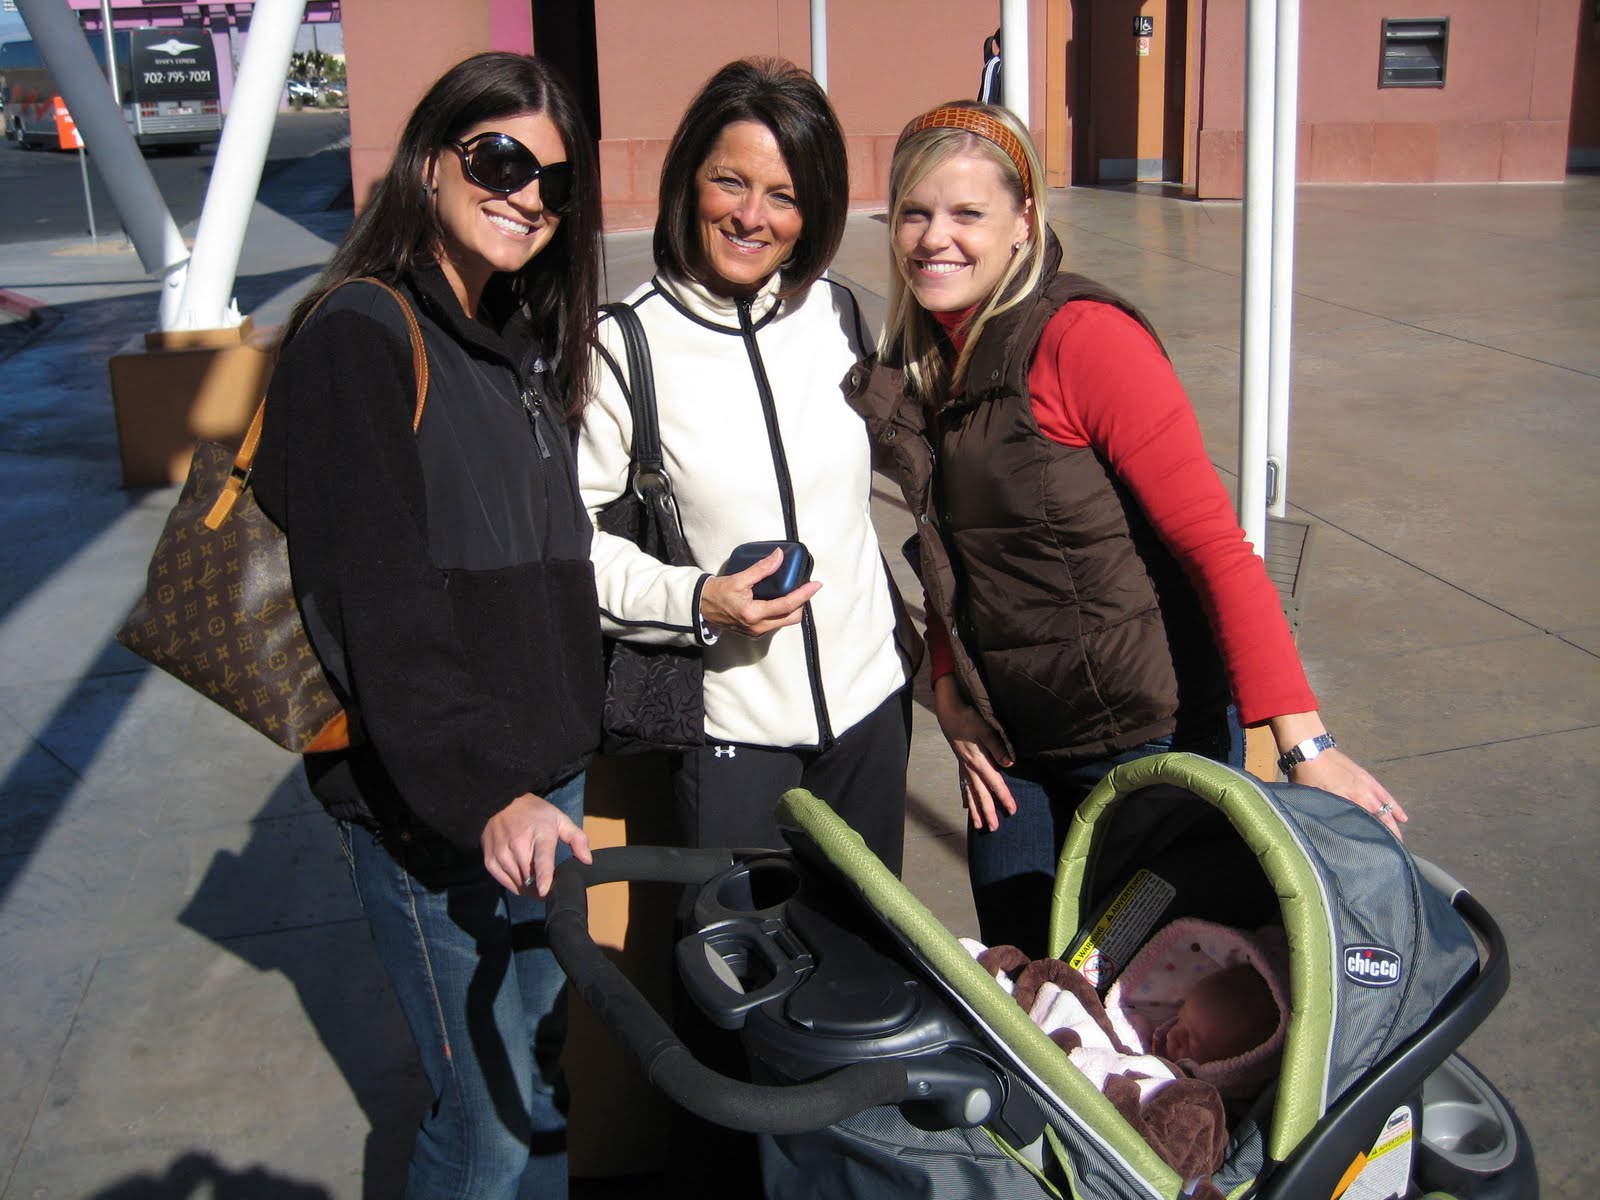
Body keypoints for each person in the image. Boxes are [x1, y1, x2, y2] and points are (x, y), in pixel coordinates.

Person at [848, 101, 1404, 957]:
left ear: (1023, 223)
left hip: (1143, 743)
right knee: (1028, 994)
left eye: (967, 213)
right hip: (1011, 752)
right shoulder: (926, 363)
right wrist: (952, 693)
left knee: (1147, 997)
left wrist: (1305, 745)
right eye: (915, 213)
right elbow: (951, 557)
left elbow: (1215, 547)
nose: (935, 239)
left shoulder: (1083, 339)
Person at [253, 52, 604, 1199]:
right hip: (441, 805)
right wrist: (482, 788)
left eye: (554, 182)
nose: (528, 197)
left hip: (540, 787)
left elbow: (540, 567)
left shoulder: (508, 338)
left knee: (539, 1082)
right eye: (500, 161)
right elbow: (376, 595)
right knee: (485, 1123)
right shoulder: (361, 335)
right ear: (428, 163)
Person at [578, 59, 918, 872]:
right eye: (730, 182)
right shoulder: (623, 345)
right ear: (688, 181)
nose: (751, 217)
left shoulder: (838, 312)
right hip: (731, 737)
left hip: (873, 712)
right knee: (738, 956)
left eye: (784, 195)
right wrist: (698, 600)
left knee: (868, 945)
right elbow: (571, 550)